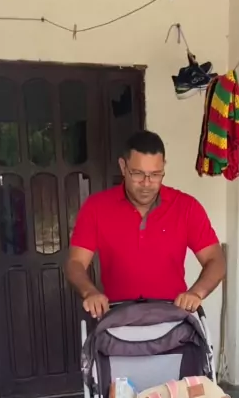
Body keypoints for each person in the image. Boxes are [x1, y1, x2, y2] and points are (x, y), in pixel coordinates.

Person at [66, 130, 225, 318]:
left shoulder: (186, 207)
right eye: (138, 174)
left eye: (155, 174)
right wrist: (89, 292)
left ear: (164, 168)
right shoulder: (96, 207)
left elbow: (215, 259)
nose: (147, 183)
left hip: (172, 319)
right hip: (118, 319)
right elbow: (75, 262)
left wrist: (197, 292)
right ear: (123, 167)